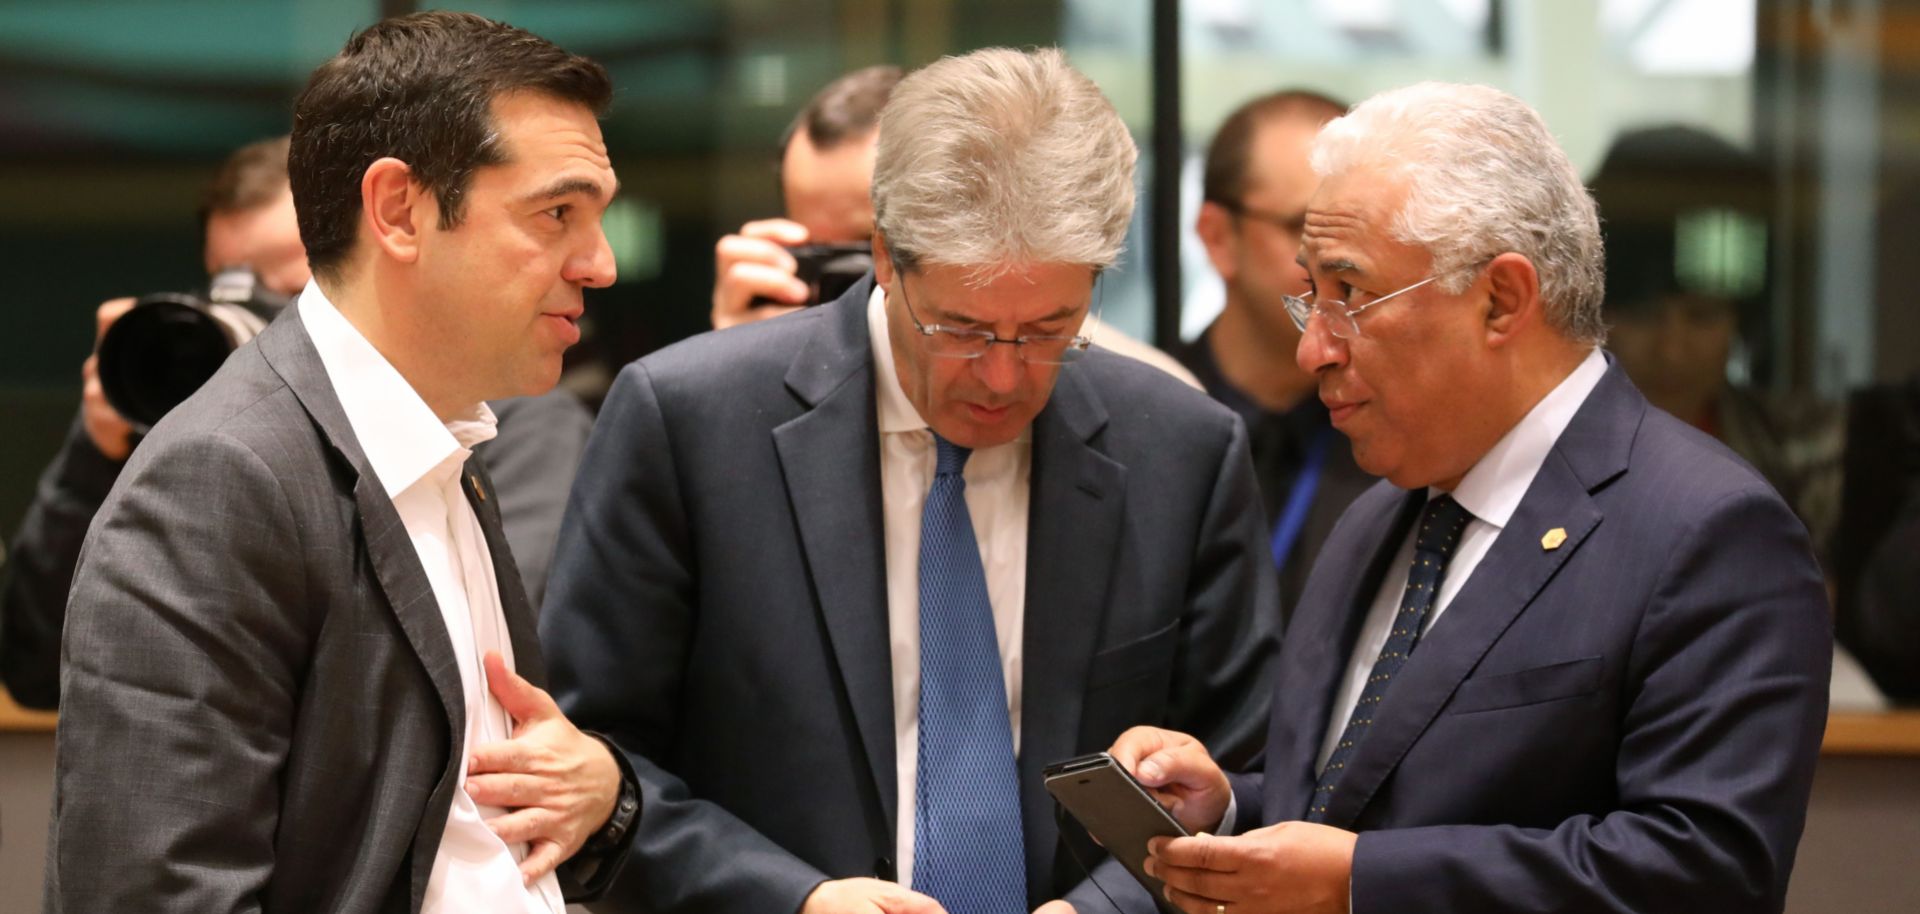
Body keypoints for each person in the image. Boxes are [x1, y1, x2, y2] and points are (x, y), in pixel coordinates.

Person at [541, 47, 1277, 914]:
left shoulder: (1181, 449)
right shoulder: (691, 422)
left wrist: (1110, 907)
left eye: (1049, 329)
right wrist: (796, 901)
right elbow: (590, 762)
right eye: (961, 328)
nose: (1003, 379)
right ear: (887, 259)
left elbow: (1248, 777)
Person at [1101, 82, 1831, 914]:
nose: (1313, 349)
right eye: (1311, 295)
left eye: (1351, 296)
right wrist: (1233, 810)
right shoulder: (1377, 515)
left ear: (1501, 300)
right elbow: (1360, 802)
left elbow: (1704, 874)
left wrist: (1357, 883)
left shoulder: (1708, 529)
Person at [46, 12, 636, 912]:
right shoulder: (219, 479)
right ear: (398, 209)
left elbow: (456, 849)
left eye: (597, 219)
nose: (599, 264)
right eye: (557, 213)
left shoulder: (450, 448)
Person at [1, 135, 593, 710]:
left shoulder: (503, 423)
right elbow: (37, 672)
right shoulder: (202, 433)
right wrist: (100, 454)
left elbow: (482, 666)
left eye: (285, 291)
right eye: (226, 289)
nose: (251, 318)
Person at [709, 63, 1200, 387]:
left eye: (866, 247)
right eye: (816, 255)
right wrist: (742, 366)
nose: (852, 281)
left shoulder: (1149, 399)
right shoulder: (724, 391)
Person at [1591, 125, 1843, 565]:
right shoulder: (1540, 458)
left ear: (1741, 320)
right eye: (1646, 317)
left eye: (1703, 317)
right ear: (1599, 315)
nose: (1673, 349)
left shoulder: (1805, 450)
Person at [1176, 90, 1374, 614]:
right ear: (1217, 237)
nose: (1337, 260)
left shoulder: (1404, 435)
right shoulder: (1141, 417)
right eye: (1304, 228)